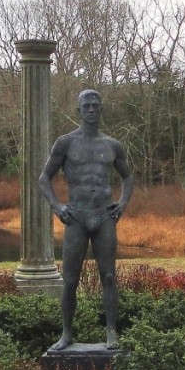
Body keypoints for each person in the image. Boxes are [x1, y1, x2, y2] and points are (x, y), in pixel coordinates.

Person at [38, 89, 133, 351]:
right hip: (77, 216)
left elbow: (127, 176)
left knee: (110, 277)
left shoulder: (112, 145)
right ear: (78, 111)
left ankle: (112, 333)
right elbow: (44, 177)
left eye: (95, 105)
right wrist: (56, 206)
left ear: (101, 110)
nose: (91, 109)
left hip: (103, 216)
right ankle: (66, 334)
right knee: (70, 279)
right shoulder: (65, 143)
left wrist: (122, 203)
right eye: (86, 106)